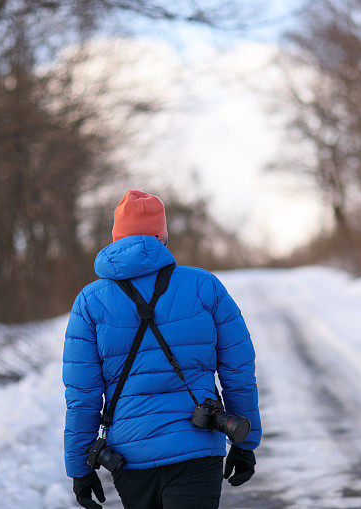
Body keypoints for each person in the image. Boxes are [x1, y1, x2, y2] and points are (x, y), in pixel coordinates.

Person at [63, 190, 261, 509]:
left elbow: (81, 395)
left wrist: (79, 468)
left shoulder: (90, 301)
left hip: (129, 456)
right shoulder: (204, 286)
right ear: (161, 236)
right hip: (197, 447)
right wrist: (245, 442)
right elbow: (238, 372)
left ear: (117, 238)